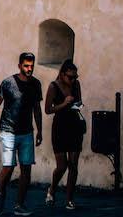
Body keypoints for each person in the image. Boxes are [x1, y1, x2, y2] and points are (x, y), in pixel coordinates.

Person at [0, 52, 43, 216]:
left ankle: (19, 205)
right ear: (19, 65)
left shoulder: (36, 84)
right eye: (26, 66)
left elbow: (37, 108)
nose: (29, 69)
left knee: (26, 169)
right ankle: (2, 190)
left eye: (31, 66)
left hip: (27, 132)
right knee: (9, 166)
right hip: (8, 130)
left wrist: (40, 130)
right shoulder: (8, 83)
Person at [45, 59, 84, 210]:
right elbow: (48, 110)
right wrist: (64, 103)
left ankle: (69, 199)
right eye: (70, 77)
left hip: (74, 126)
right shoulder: (53, 86)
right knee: (61, 166)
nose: (73, 80)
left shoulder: (76, 85)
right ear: (62, 75)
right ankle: (52, 189)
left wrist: (76, 104)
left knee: (73, 164)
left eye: (75, 77)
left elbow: (79, 103)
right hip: (60, 128)